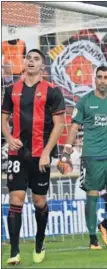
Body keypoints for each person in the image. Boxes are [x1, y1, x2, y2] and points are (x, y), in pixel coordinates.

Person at [1, 49, 65, 265]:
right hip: (16, 153)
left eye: (36, 59)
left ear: (42, 67)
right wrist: (9, 137)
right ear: (24, 62)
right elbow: (4, 118)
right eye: (28, 57)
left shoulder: (53, 91)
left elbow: (59, 125)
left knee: (39, 201)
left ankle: (39, 242)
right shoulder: (11, 90)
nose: (31, 61)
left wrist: (47, 152)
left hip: (40, 156)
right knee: (15, 199)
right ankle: (14, 252)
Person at [61, 65, 107, 250]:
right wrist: (67, 150)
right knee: (92, 196)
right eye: (99, 77)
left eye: (106, 77)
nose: (102, 80)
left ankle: (106, 223)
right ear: (95, 79)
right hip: (91, 155)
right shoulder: (84, 101)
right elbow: (74, 128)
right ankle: (93, 238)